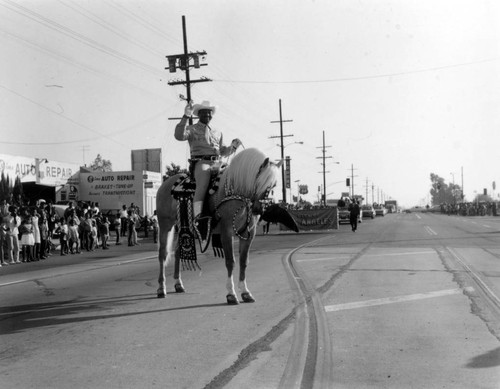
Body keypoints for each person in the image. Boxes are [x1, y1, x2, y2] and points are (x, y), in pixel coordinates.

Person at [174, 100, 242, 222]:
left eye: (209, 113)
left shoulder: (218, 132)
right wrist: (186, 116)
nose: (207, 115)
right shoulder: (191, 128)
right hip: (201, 163)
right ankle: (198, 217)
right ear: (198, 114)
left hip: (218, 162)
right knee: (203, 184)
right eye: (204, 113)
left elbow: (222, 151)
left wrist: (233, 147)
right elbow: (179, 136)